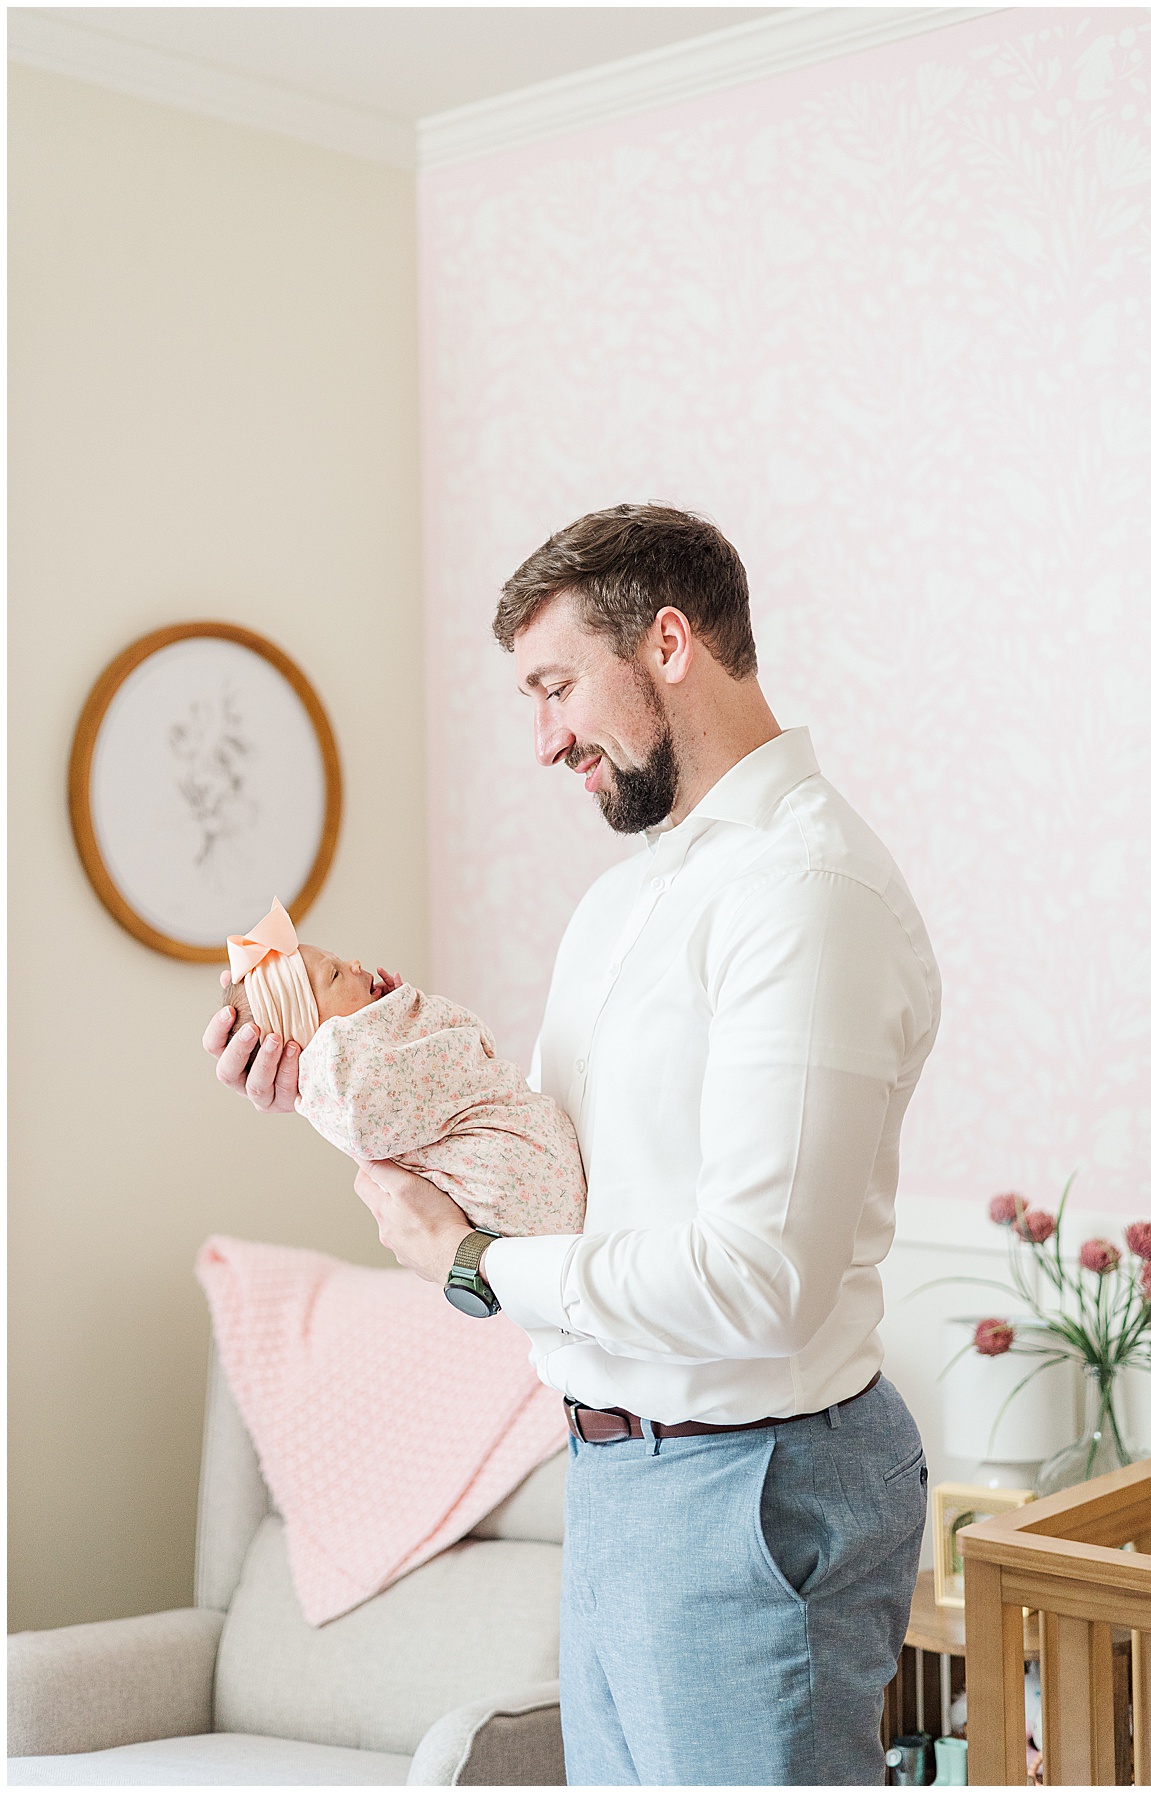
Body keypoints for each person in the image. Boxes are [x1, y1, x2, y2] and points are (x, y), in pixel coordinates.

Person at [204, 503, 940, 1786]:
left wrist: (478, 1261)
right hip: (617, 1481)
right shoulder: (622, 905)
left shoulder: (807, 895)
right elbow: (543, 1179)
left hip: (751, 1487)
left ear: (668, 643)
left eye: (555, 687)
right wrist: (344, 1064)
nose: (543, 739)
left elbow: (761, 1283)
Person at [219, 895, 585, 1239]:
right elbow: (466, 1046)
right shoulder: (351, 1081)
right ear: (318, 1037)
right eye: (334, 975)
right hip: (513, 1192)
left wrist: (404, 1019)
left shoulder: (375, 1061)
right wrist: (414, 1010)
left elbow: (473, 1058)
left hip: (544, 1182)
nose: (355, 964)